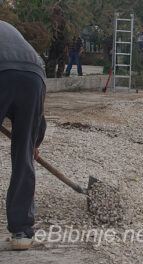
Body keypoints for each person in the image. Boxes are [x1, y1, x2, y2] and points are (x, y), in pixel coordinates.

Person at [0, 20, 47, 250]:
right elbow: (40, 113)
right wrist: (33, 142)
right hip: (34, 77)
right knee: (23, 158)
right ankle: (22, 232)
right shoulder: (10, 30)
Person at [46, 4, 67, 78]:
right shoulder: (62, 19)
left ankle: (51, 73)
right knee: (60, 58)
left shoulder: (52, 18)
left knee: (53, 57)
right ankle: (58, 74)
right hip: (60, 40)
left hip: (56, 40)